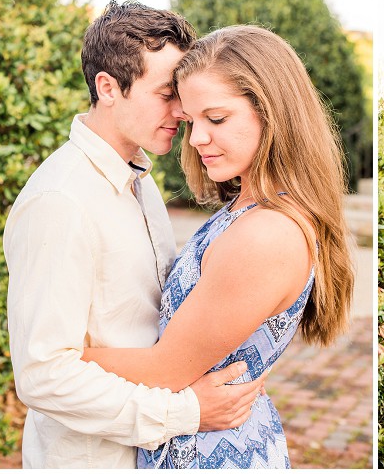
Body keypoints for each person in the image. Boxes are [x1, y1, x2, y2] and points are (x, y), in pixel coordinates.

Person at [79, 24, 355, 468]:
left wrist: (58, 358)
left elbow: (166, 370)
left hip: (213, 453)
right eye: (192, 121)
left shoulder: (267, 232)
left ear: (272, 111)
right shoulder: (249, 206)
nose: (196, 138)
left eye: (217, 118)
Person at [5, 1, 263, 468]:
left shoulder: (139, 180)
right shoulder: (60, 201)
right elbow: (42, 374)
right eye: (167, 93)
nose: (183, 112)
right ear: (108, 87)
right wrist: (186, 411)